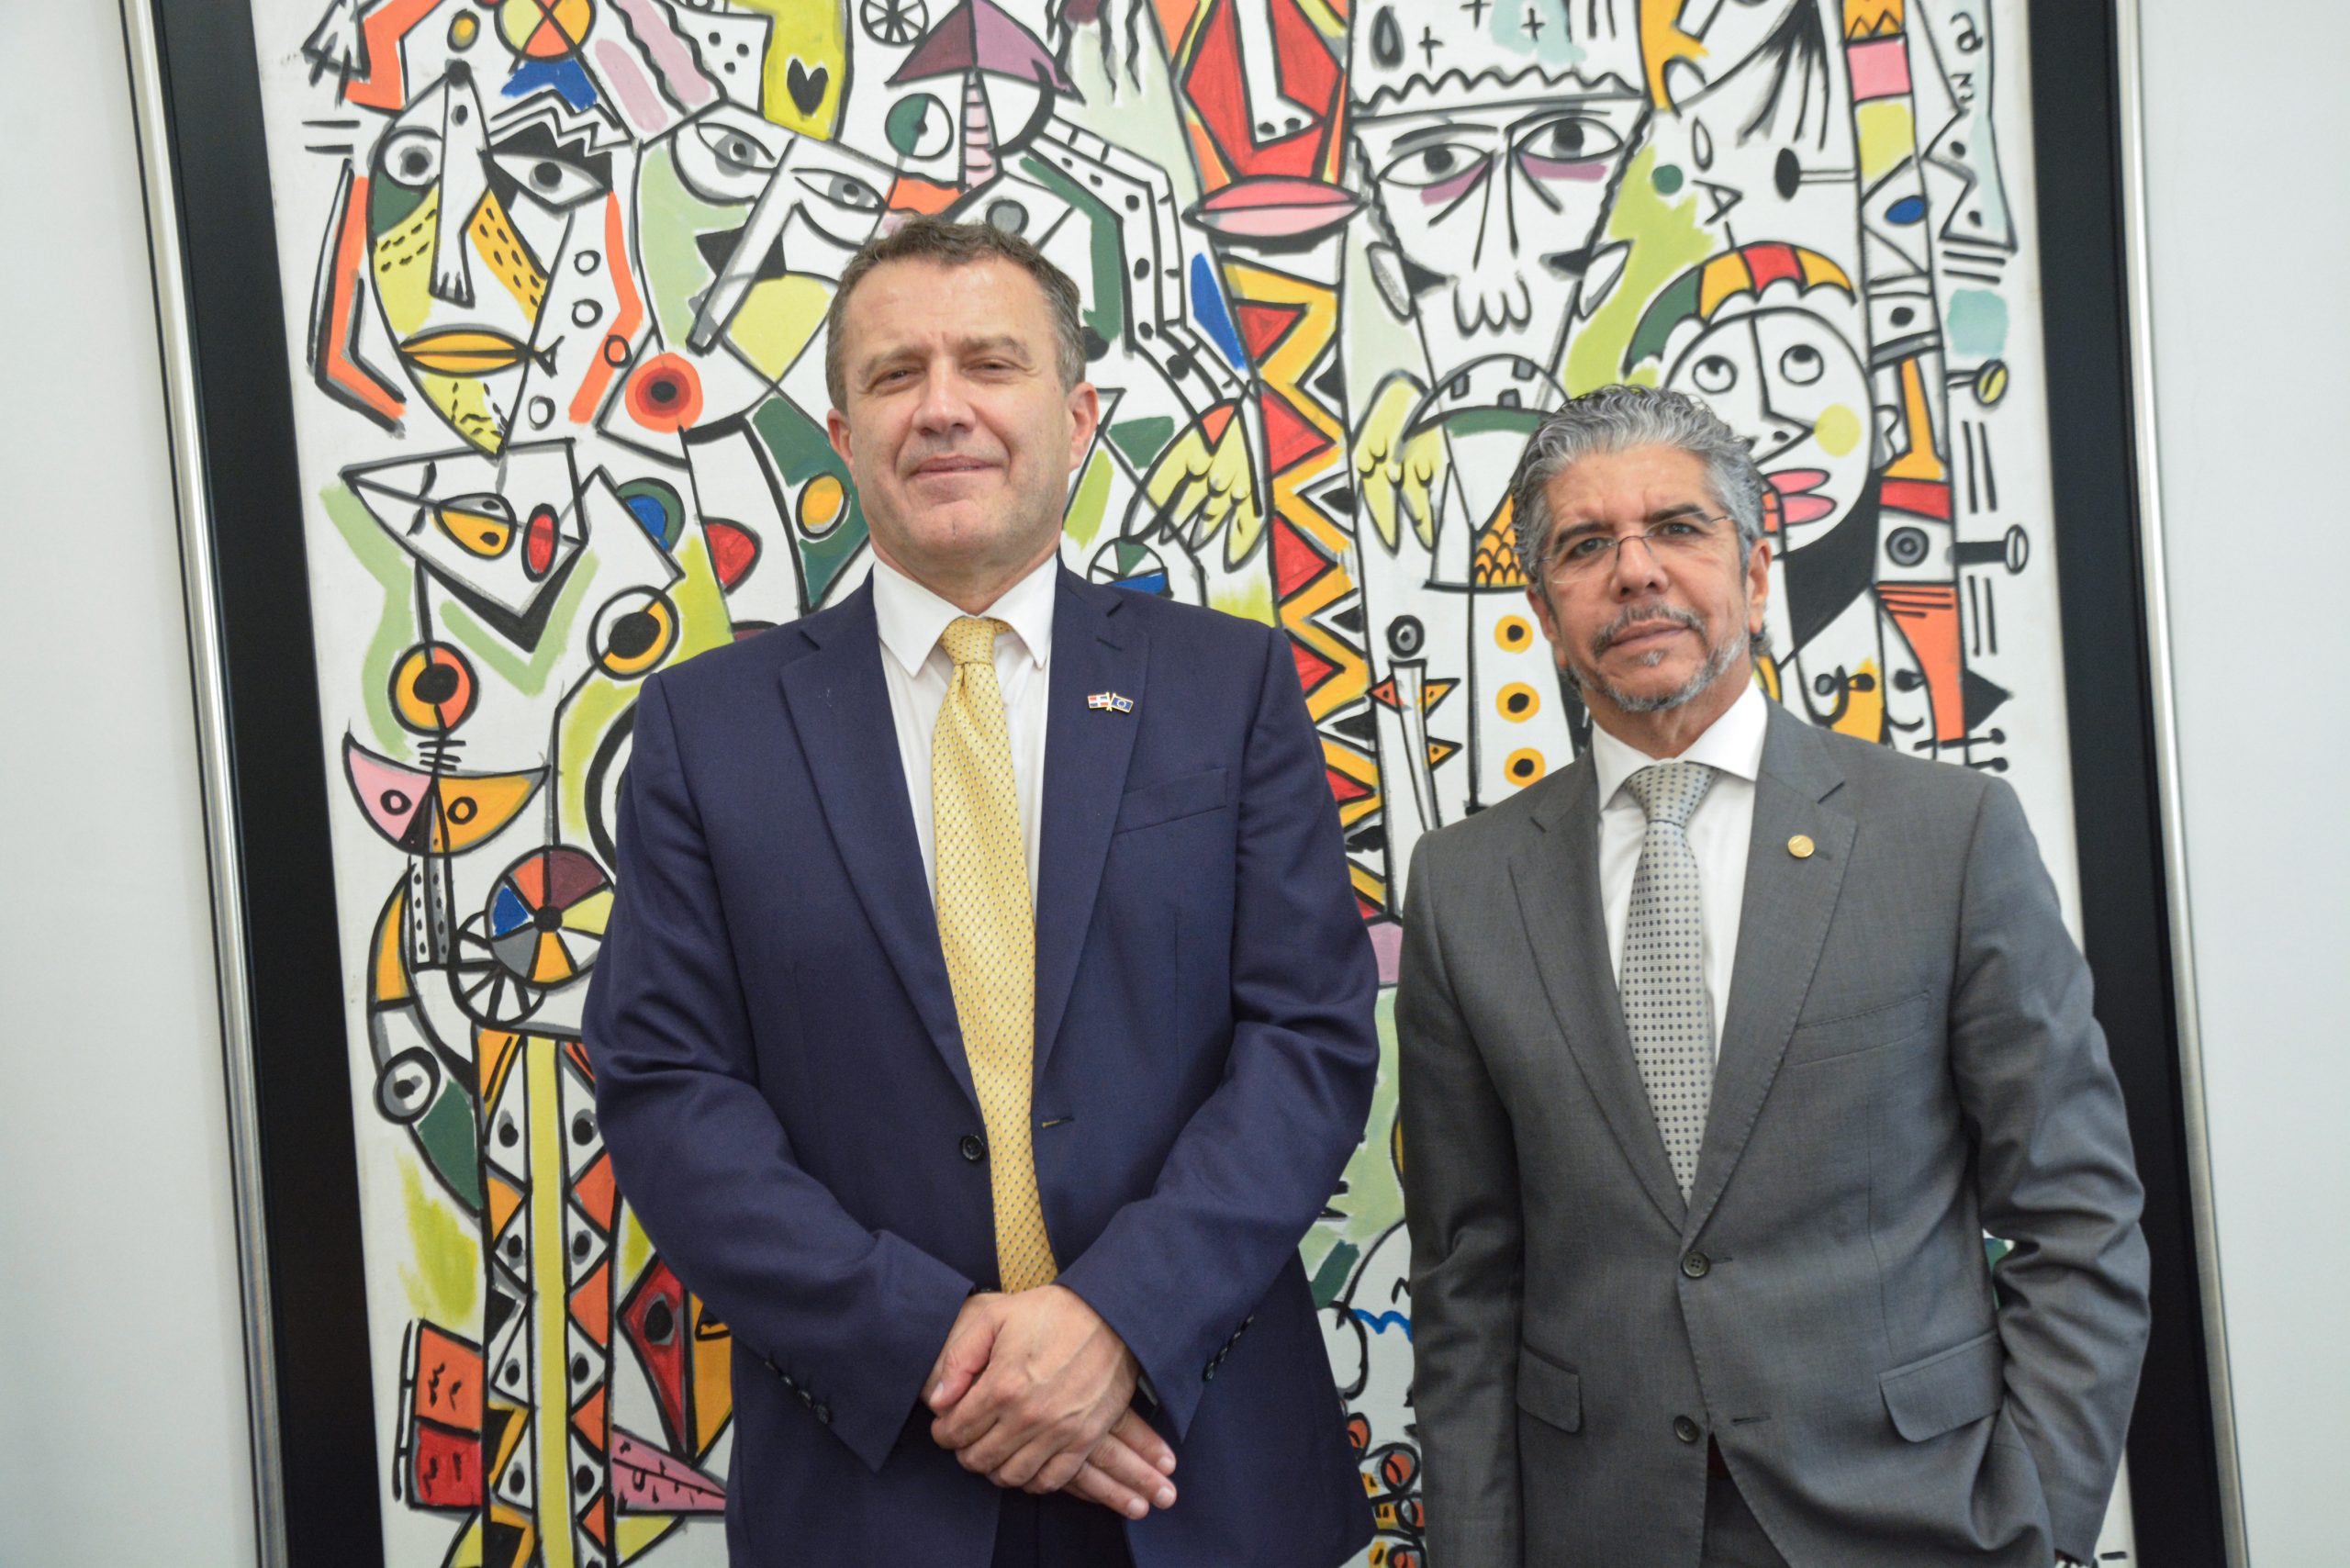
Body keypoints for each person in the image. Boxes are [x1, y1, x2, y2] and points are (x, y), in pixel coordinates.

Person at [585, 218, 1379, 1568]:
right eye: (896, 375)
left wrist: (1117, 1322)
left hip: (1195, 1465)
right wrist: (937, 1349)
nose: (943, 407)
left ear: (1076, 418)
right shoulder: (706, 729)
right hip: (876, 1477)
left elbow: (1308, 1039)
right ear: (844, 437)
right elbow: (668, 1086)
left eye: (990, 365)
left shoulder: (1228, 686)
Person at [1395, 385, 2150, 1567]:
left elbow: (2078, 1214)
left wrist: (2037, 1517)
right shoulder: (1463, 887)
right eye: (1585, 547)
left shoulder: (1946, 837)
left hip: (1916, 1522)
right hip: (1601, 1529)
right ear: (1544, 610)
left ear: (1754, 576)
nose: (1634, 571)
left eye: (1676, 528)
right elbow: (1466, 1282)